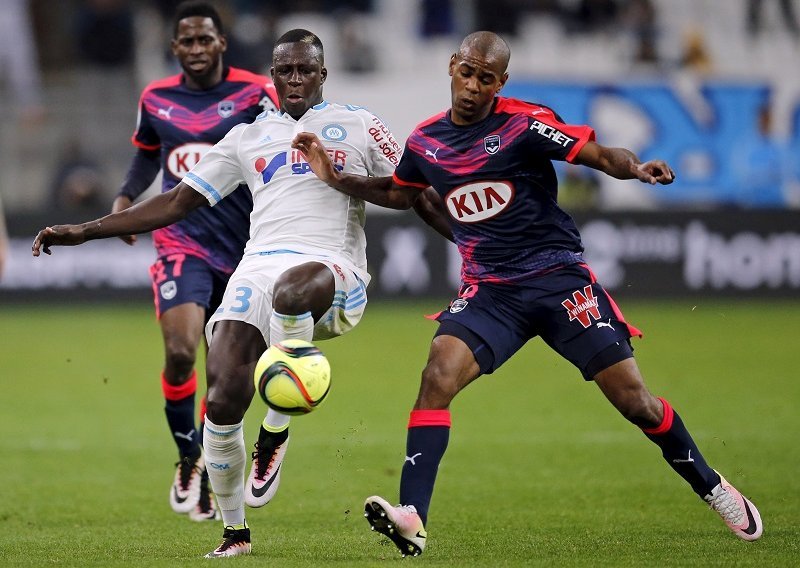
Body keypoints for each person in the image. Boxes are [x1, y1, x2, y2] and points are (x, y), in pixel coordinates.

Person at [291, 31, 764, 557]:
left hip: (558, 279)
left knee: (636, 402)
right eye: (466, 72)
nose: (472, 86)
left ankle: (711, 485)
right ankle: (413, 517)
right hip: (491, 290)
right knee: (436, 377)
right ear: (452, 66)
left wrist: (635, 167)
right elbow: (399, 194)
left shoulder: (525, 123)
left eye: (485, 78)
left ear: (501, 82)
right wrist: (336, 176)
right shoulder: (425, 141)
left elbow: (599, 153)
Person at [33, 28, 414, 558]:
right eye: (286, 70)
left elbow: (408, 191)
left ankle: (276, 429)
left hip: (334, 270)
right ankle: (235, 533)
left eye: (307, 69)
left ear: (323, 74)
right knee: (221, 399)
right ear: (273, 76)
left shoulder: (361, 125)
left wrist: (464, 241)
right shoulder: (246, 137)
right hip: (257, 267)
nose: (296, 78)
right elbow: (176, 202)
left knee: (291, 291)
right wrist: (86, 228)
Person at [110, 1, 278, 523]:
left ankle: (221, 456)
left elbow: (282, 147)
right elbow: (146, 151)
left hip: (248, 246)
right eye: (187, 41)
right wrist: (125, 198)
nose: (197, 49)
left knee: (227, 376)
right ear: (175, 46)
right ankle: (189, 460)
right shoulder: (155, 98)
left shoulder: (255, 94)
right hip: (181, 240)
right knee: (182, 350)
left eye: (206, 39)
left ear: (222, 42)